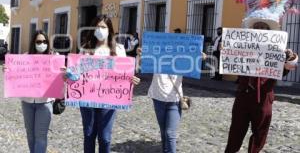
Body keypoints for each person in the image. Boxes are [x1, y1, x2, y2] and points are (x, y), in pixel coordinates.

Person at [225, 0, 299, 153]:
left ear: (269, 29)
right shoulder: (242, 44)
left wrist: (289, 57)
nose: (260, 29)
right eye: (257, 26)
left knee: (260, 135)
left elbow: (291, 64)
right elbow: (229, 61)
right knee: (235, 134)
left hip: (264, 97)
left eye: (264, 26)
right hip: (243, 96)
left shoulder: (277, 48)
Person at [73, 15, 140, 153]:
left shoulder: (119, 49)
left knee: (105, 138)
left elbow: (124, 74)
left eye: (103, 27)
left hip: (109, 100)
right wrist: (69, 73)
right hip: (88, 99)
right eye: (97, 26)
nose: (100, 29)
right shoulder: (86, 49)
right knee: (89, 135)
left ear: (109, 30)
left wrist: (132, 79)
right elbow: (77, 72)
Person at [138, 28, 205, 153]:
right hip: (157, 97)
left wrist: (199, 56)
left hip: (174, 99)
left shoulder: (182, 58)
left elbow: (193, 62)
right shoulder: (157, 55)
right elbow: (143, 64)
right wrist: (141, 55)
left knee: (170, 133)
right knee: (164, 132)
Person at [7, 30, 58, 153]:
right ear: (33, 43)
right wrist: (8, 70)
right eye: (39, 41)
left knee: (40, 137)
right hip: (27, 102)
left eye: (44, 41)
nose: (42, 44)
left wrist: (63, 72)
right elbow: (15, 74)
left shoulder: (54, 57)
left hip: (45, 103)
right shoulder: (24, 57)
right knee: (30, 136)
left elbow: (60, 77)